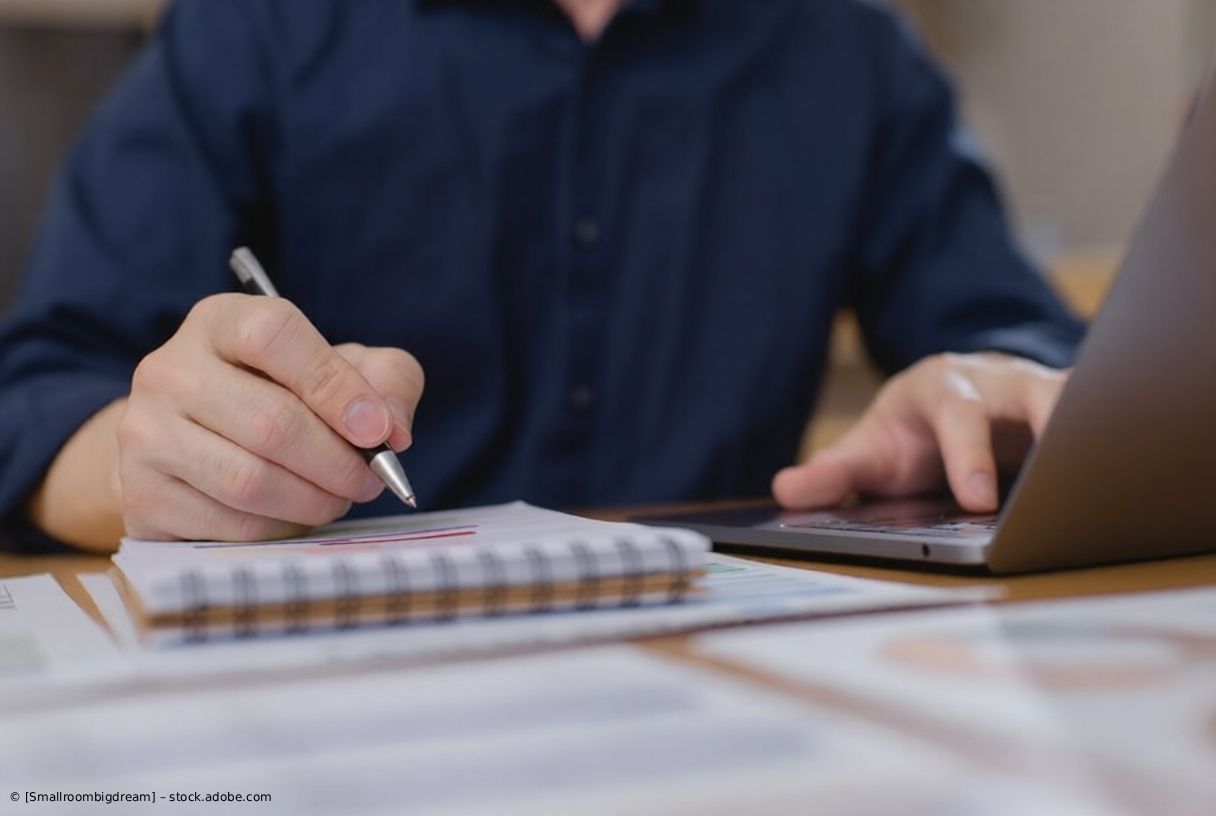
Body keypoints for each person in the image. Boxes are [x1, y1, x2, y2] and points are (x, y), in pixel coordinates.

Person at [0, 0, 1082, 554]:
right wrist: (144, 468)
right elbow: (36, 397)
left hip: (719, 673)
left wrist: (988, 396)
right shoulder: (256, 28)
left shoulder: (852, 50)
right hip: (335, 687)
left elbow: (1021, 350)